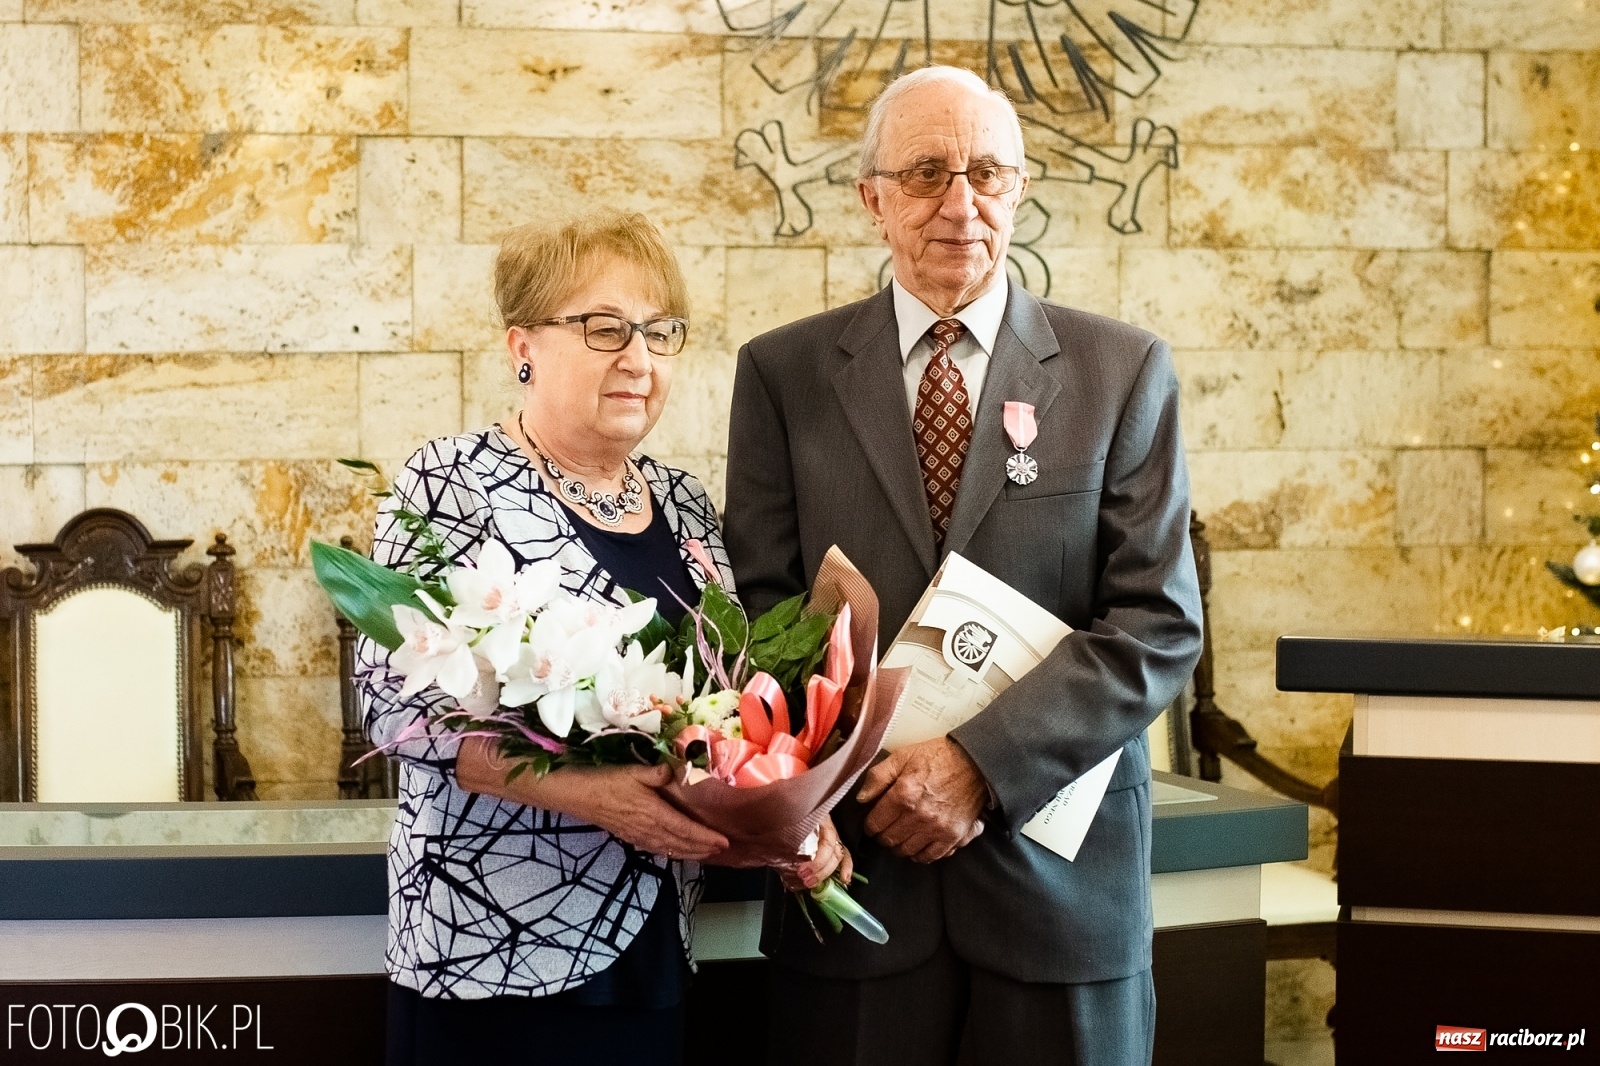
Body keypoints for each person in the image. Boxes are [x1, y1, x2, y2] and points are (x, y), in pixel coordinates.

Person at [723, 66, 1204, 1065]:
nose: (960, 202)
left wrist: (977, 766)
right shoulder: (782, 374)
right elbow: (761, 616)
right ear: (872, 199)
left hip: (1059, 892)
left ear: (1020, 187)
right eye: (927, 172)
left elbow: (1158, 623)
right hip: (857, 876)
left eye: (987, 172)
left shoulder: (1122, 373)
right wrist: (832, 788)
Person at [357, 211, 734, 1066]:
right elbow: (397, 708)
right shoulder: (451, 481)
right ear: (521, 345)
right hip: (489, 946)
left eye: (659, 332)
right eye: (604, 329)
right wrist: (590, 793)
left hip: (652, 946)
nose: (638, 358)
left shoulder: (687, 505)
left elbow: (724, 695)